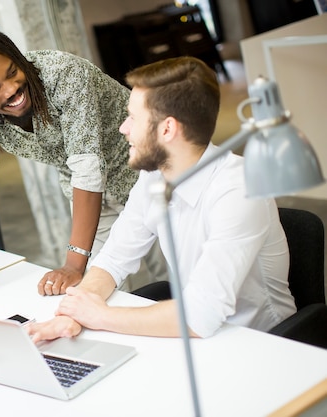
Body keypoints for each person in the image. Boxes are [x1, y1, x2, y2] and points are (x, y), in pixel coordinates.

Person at [0, 26, 167, 329]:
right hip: (95, 202)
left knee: (176, 281)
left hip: (154, 180)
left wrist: (73, 264)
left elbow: (88, 168)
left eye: (12, 71)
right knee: (104, 299)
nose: (11, 89)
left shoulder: (62, 74)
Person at [27, 56, 296, 342]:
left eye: (132, 117)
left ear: (167, 129)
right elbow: (114, 259)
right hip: (196, 336)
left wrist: (101, 316)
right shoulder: (155, 178)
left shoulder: (240, 189)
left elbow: (200, 315)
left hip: (262, 342)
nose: (123, 128)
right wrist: (71, 316)